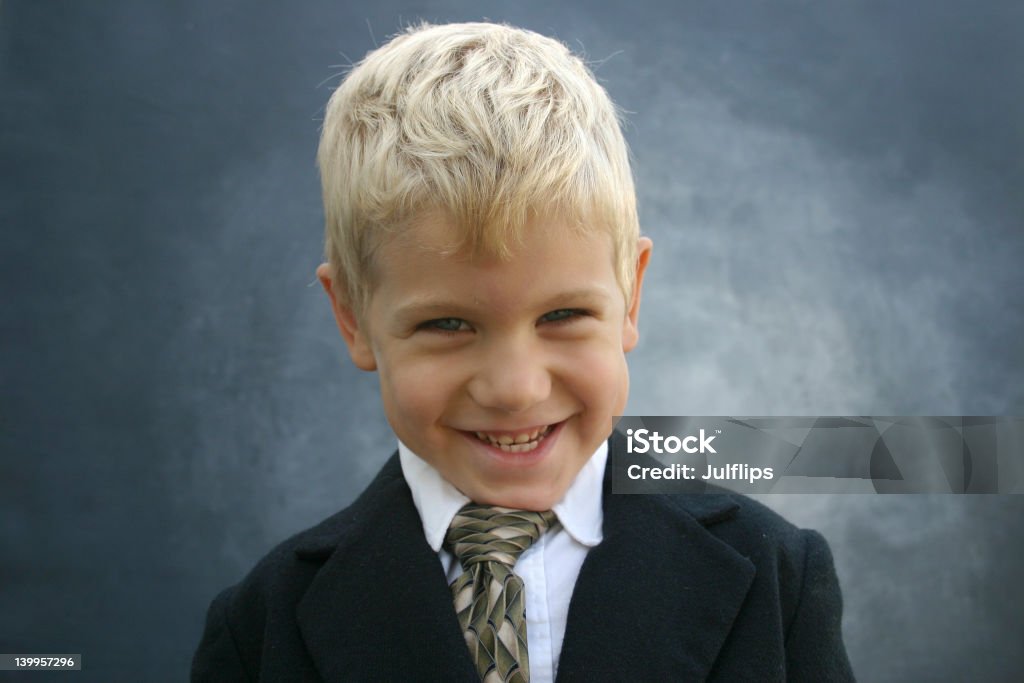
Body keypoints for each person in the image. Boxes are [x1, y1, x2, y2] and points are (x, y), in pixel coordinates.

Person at [191, 21, 854, 682]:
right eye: (448, 324)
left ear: (630, 296)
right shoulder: (262, 626)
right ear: (352, 316)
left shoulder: (776, 573)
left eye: (563, 315)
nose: (515, 388)